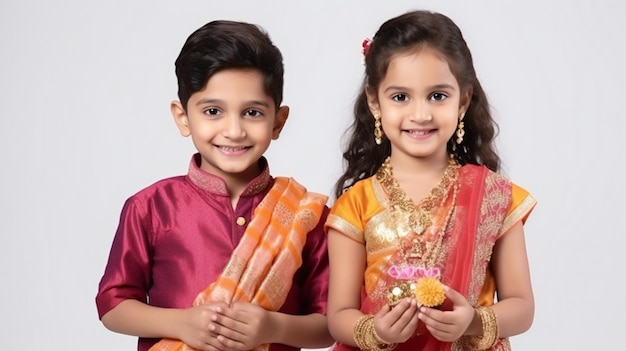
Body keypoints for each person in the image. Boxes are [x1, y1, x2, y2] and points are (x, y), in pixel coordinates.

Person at [96, 20, 333, 351]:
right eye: (213, 111)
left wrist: (272, 326)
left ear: (277, 122)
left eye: (252, 112)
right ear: (183, 117)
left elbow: (329, 325)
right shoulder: (150, 207)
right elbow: (113, 304)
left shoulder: (307, 215)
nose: (233, 130)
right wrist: (181, 324)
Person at [325, 10, 536, 351]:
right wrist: (377, 331)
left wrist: (474, 321)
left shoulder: (494, 197)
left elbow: (522, 307)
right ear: (374, 101)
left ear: (463, 100)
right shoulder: (356, 205)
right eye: (400, 97)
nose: (420, 114)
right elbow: (338, 315)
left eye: (438, 96)